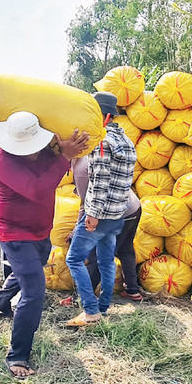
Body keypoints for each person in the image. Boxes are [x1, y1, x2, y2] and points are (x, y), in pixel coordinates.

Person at [0, 111, 89, 379]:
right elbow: (37, 188)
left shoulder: (46, 153)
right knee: (34, 290)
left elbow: (54, 170)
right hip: (14, 234)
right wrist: (64, 157)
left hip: (41, 231)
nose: (31, 152)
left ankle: (0, 302)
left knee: (27, 273)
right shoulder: (3, 161)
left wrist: (63, 152)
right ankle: (17, 354)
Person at [65, 92, 137, 327]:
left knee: (74, 259)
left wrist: (92, 215)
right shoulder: (126, 141)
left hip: (101, 213)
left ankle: (90, 310)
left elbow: (101, 181)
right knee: (106, 261)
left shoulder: (102, 142)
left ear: (102, 116)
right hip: (119, 215)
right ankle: (104, 306)